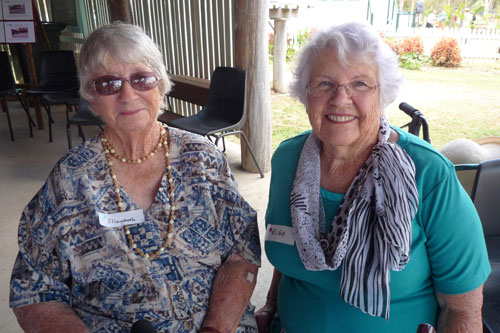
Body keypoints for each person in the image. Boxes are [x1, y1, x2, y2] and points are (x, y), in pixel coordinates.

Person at [9, 22, 261, 332]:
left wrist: (215, 329)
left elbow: (242, 254)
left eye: (141, 78)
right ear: (92, 98)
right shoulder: (69, 179)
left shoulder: (204, 160)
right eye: (108, 83)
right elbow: (34, 289)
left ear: (160, 86)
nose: (128, 94)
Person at [256, 22, 490, 332]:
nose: (341, 98)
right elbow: (288, 240)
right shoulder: (287, 159)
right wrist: (271, 306)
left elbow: (462, 308)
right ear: (305, 92)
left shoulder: (429, 174)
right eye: (324, 83)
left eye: (361, 84)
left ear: (383, 94)